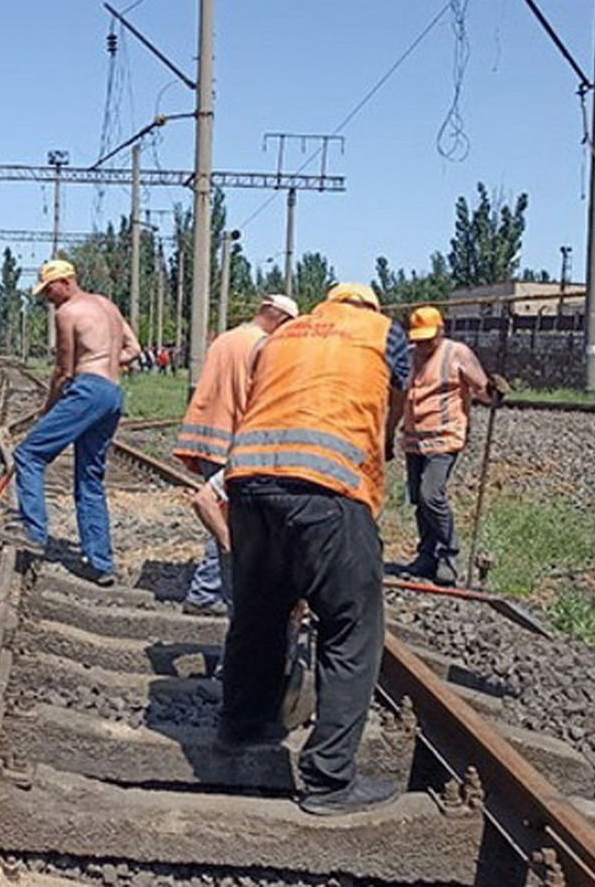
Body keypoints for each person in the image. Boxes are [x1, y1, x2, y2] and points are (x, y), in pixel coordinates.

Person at [219, 282, 411, 816]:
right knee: (352, 628)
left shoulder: (282, 334)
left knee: (258, 614)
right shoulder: (382, 333)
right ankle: (329, 780)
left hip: (250, 480)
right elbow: (392, 408)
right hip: (326, 489)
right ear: (370, 308)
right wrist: (384, 447)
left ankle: (241, 726)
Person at [12, 260, 141, 585]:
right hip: (112, 394)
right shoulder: (108, 306)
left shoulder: (67, 313)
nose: (46, 297)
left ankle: (34, 533)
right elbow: (134, 349)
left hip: (87, 391)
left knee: (28, 454)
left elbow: (63, 372)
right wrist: (105, 360)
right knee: (90, 479)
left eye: (49, 290)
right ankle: (101, 563)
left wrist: (48, 408)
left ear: (66, 282)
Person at [173, 294, 298, 615]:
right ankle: (207, 593)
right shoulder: (262, 346)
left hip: (207, 436)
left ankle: (213, 590)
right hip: (234, 440)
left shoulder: (226, 339)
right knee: (232, 522)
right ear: (281, 320)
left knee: (224, 517)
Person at [398, 306, 498, 586]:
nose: (422, 344)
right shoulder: (408, 354)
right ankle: (427, 554)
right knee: (419, 499)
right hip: (414, 438)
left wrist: (493, 391)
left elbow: (481, 389)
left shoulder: (457, 353)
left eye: (428, 338)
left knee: (432, 494)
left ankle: (448, 556)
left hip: (446, 436)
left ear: (441, 331)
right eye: (418, 339)